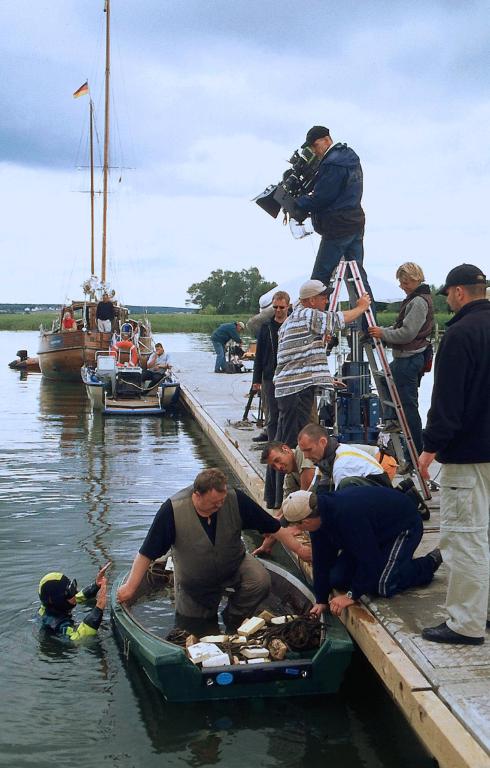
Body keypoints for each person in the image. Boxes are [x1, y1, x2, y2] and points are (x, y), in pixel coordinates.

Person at [116, 468, 308, 631]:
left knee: (260, 580)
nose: (219, 505)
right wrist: (130, 588)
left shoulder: (234, 499)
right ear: (197, 494)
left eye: (222, 501)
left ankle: (234, 616)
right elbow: (146, 553)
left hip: (234, 562)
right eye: (214, 502)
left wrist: (299, 549)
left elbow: (274, 527)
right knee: (194, 626)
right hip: (194, 580)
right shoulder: (172, 510)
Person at [419, 263, 490, 646]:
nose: (448, 300)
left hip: (469, 453)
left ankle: (465, 623)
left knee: (465, 538)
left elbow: (447, 401)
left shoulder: (461, 333)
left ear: (459, 292)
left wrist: (430, 447)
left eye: (448, 294)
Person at [282, 488, 441, 617]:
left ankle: (429, 563)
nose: (301, 530)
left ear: (306, 521)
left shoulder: (348, 516)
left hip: (402, 526)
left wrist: (352, 595)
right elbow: (321, 559)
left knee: (383, 584)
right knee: (336, 578)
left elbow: (370, 559)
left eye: (300, 527)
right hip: (370, 533)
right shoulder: (318, 520)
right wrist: (321, 599)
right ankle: (393, 562)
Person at [273, 279, 370, 448]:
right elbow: (337, 320)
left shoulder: (294, 318)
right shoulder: (307, 314)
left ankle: (275, 475)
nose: (327, 300)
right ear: (311, 300)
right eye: (324, 297)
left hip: (289, 389)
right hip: (296, 390)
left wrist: (324, 379)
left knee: (283, 441)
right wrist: (361, 307)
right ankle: (288, 474)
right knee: (293, 445)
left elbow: (299, 358)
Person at [294, 125, 375, 306]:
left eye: (315, 146)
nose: (314, 151)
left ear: (327, 140)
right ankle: (370, 329)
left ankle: (314, 325)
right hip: (355, 222)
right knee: (358, 279)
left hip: (337, 227)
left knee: (318, 281)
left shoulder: (332, 163)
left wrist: (300, 202)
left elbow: (323, 197)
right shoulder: (350, 157)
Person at [369, 262, 433, 460]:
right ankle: (392, 419)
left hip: (409, 358)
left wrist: (383, 333)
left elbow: (407, 333)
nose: (402, 286)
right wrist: (386, 331)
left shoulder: (418, 302)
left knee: (408, 406)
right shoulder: (416, 299)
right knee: (385, 383)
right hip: (407, 358)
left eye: (404, 282)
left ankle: (416, 451)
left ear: (414, 280)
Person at [252, 291, 291, 506]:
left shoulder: (292, 325)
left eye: (281, 307)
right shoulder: (266, 327)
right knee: (273, 420)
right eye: (275, 307)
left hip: (286, 377)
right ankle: (273, 444)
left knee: (283, 422)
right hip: (269, 377)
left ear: (288, 306)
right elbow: (260, 355)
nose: (278, 311)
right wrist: (256, 380)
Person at [297, 423, 391, 491]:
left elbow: (342, 505)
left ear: (323, 442)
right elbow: (314, 492)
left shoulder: (341, 466)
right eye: (303, 452)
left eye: (308, 450)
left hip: (383, 491)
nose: (306, 457)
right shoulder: (326, 459)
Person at [38, 563, 109, 641]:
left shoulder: (53, 607)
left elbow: (77, 597)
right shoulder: (58, 624)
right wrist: (98, 609)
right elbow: (76, 639)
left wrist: (96, 585)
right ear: (58, 600)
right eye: (70, 591)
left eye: (72, 587)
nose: (75, 593)